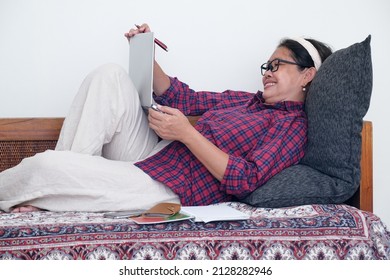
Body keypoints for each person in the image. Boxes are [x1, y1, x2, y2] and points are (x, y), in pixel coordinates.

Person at [0, 24, 332, 213]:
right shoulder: (248, 101)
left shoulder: (292, 127)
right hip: (155, 158)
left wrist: (188, 134)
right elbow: (184, 98)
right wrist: (146, 54)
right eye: (267, 66)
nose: (267, 73)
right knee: (110, 75)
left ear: (307, 76)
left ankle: (55, 189)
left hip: (171, 188)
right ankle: (60, 194)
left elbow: (246, 179)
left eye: (278, 66)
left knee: (45, 168)